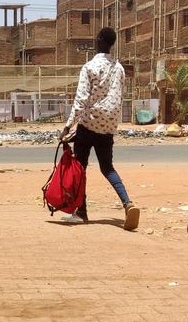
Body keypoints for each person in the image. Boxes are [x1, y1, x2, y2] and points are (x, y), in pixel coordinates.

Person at [59, 27, 140, 231]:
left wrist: (68, 126)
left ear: (98, 40)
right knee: (107, 168)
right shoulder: (119, 68)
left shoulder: (89, 67)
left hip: (88, 124)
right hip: (108, 126)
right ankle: (127, 203)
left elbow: (80, 99)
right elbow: (118, 96)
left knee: (80, 168)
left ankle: (81, 212)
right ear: (112, 44)